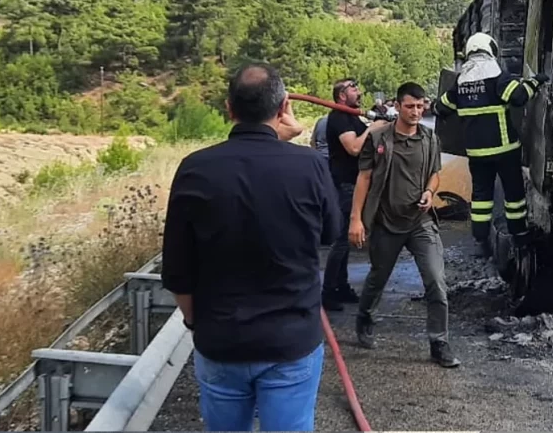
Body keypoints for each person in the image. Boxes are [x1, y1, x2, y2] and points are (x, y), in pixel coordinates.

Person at [161, 62, 341, 433]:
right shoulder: (309, 166)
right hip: (291, 342)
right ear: (282, 108)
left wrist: (197, 322)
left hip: (221, 341)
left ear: (229, 108)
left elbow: (178, 271)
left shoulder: (194, 169)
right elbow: (331, 232)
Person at [348, 81, 460, 368]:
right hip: (386, 221)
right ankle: (365, 317)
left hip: (419, 222)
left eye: (420, 106)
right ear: (397, 106)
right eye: (409, 106)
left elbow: (435, 173)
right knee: (378, 277)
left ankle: (439, 342)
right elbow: (364, 178)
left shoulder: (429, 138)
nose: (415, 111)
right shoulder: (380, 139)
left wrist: (429, 192)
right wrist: (356, 219)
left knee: (436, 281)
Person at [434, 32, 545, 256]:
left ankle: (480, 242)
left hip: (477, 154)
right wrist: (535, 82)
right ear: (489, 49)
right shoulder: (498, 77)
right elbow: (519, 97)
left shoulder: (461, 82)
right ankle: (520, 237)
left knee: (481, 198)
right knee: (513, 196)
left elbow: (441, 107)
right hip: (505, 151)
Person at [323, 78, 385, 310]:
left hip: (354, 183)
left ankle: (341, 286)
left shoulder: (350, 116)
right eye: (353, 88)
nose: (358, 92)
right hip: (344, 185)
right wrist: (372, 128)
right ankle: (328, 291)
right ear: (341, 95)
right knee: (342, 239)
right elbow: (354, 148)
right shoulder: (338, 117)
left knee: (346, 241)